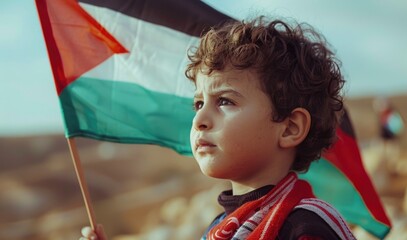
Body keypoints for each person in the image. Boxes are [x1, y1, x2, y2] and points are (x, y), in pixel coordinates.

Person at [80, 16, 356, 240]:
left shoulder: (305, 227)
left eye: (224, 101)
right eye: (198, 103)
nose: (200, 119)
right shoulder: (222, 227)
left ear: (289, 128)